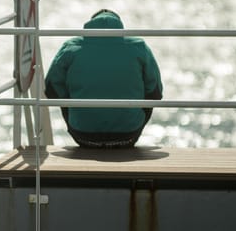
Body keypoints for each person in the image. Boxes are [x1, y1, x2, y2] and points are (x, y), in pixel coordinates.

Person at [44, 9, 163, 148]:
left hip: (83, 135)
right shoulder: (138, 46)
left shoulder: (70, 47)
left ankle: (82, 120)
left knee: (65, 96)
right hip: (128, 135)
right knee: (148, 95)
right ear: (120, 26)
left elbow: (51, 88)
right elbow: (156, 92)